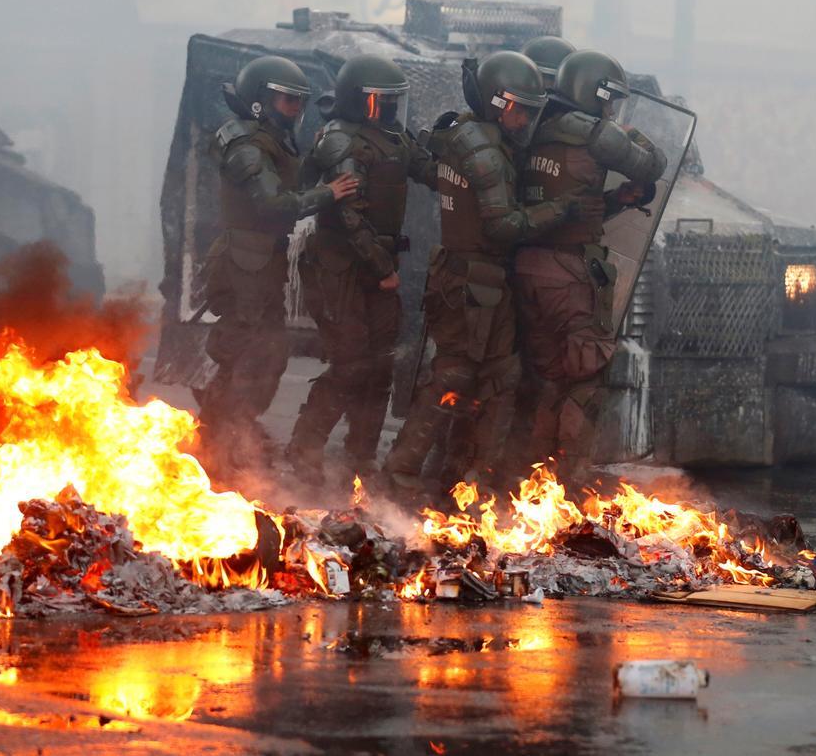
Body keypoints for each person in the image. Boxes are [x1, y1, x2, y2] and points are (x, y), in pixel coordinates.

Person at [380, 51, 574, 500]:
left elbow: (434, 174)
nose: (523, 118)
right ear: (494, 101)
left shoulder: (465, 133)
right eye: (516, 108)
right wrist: (558, 210)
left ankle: (474, 479)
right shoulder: (484, 148)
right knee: (451, 375)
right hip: (470, 281)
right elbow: (501, 225)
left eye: (529, 109)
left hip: (480, 280)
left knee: (500, 378)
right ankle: (401, 474)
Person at [198, 55, 358, 475]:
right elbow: (273, 205)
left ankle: (229, 435)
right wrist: (329, 193)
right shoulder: (246, 145)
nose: (295, 110)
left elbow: (287, 185)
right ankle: (217, 442)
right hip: (242, 266)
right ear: (259, 102)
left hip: (260, 263)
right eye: (287, 101)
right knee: (245, 357)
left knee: (265, 357)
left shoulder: (268, 140)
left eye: (297, 102)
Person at [285, 53, 439, 486]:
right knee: (351, 362)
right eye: (379, 101)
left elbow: (427, 170)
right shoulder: (340, 140)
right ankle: (304, 447)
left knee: (381, 363)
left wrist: (453, 152)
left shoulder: (393, 136)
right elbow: (350, 217)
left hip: (377, 267)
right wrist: (382, 268)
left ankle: (361, 454)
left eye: (392, 101)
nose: (388, 110)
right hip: (342, 268)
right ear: (358, 101)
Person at [515, 49, 667, 475]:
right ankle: (568, 478)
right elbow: (654, 164)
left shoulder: (535, 125)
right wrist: (628, 131)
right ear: (595, 93)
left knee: (547, 379)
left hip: (527, 269)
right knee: (585, 377)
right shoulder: (594, 132)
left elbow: (565, 205)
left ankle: (533, 479)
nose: (612, 108)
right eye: (610, 99)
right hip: (568, 275)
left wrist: (615, 201)